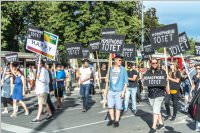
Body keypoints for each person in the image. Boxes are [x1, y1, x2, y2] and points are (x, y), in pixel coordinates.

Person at [105, 54, 128, 128]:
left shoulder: (123, 69)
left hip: (119, 91)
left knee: (118, 107)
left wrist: (123, 92)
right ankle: (112, 119)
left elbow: (126, 82)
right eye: (119, 60)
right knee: (110, 106)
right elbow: (108, 79)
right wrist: (106, 79)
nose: (121, 61)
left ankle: (116, 121)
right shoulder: (110, 69)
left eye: (121, 60)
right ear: (115, 60)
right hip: (111, 90)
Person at [146, 58, 167, 133]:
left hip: (160, 93)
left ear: (158, 63)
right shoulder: (148, 72)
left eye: (155, 63)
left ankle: (153, 128)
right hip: (151, 94)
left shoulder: (162, 71)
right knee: (157, 110)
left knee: (155, 110)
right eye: (153, 63)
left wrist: (167, 89)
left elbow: (165, 81)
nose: (154, 64)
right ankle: (161, 123)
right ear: (150, 63)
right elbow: (145, 80)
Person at [191, 64, 200, 132]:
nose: (198, 69)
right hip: (197, 95)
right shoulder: (194, 76)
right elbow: (193, 85)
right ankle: (197, 126)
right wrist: (191, 92)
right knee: (197, 111)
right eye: (196, 68)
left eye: (199, 68)